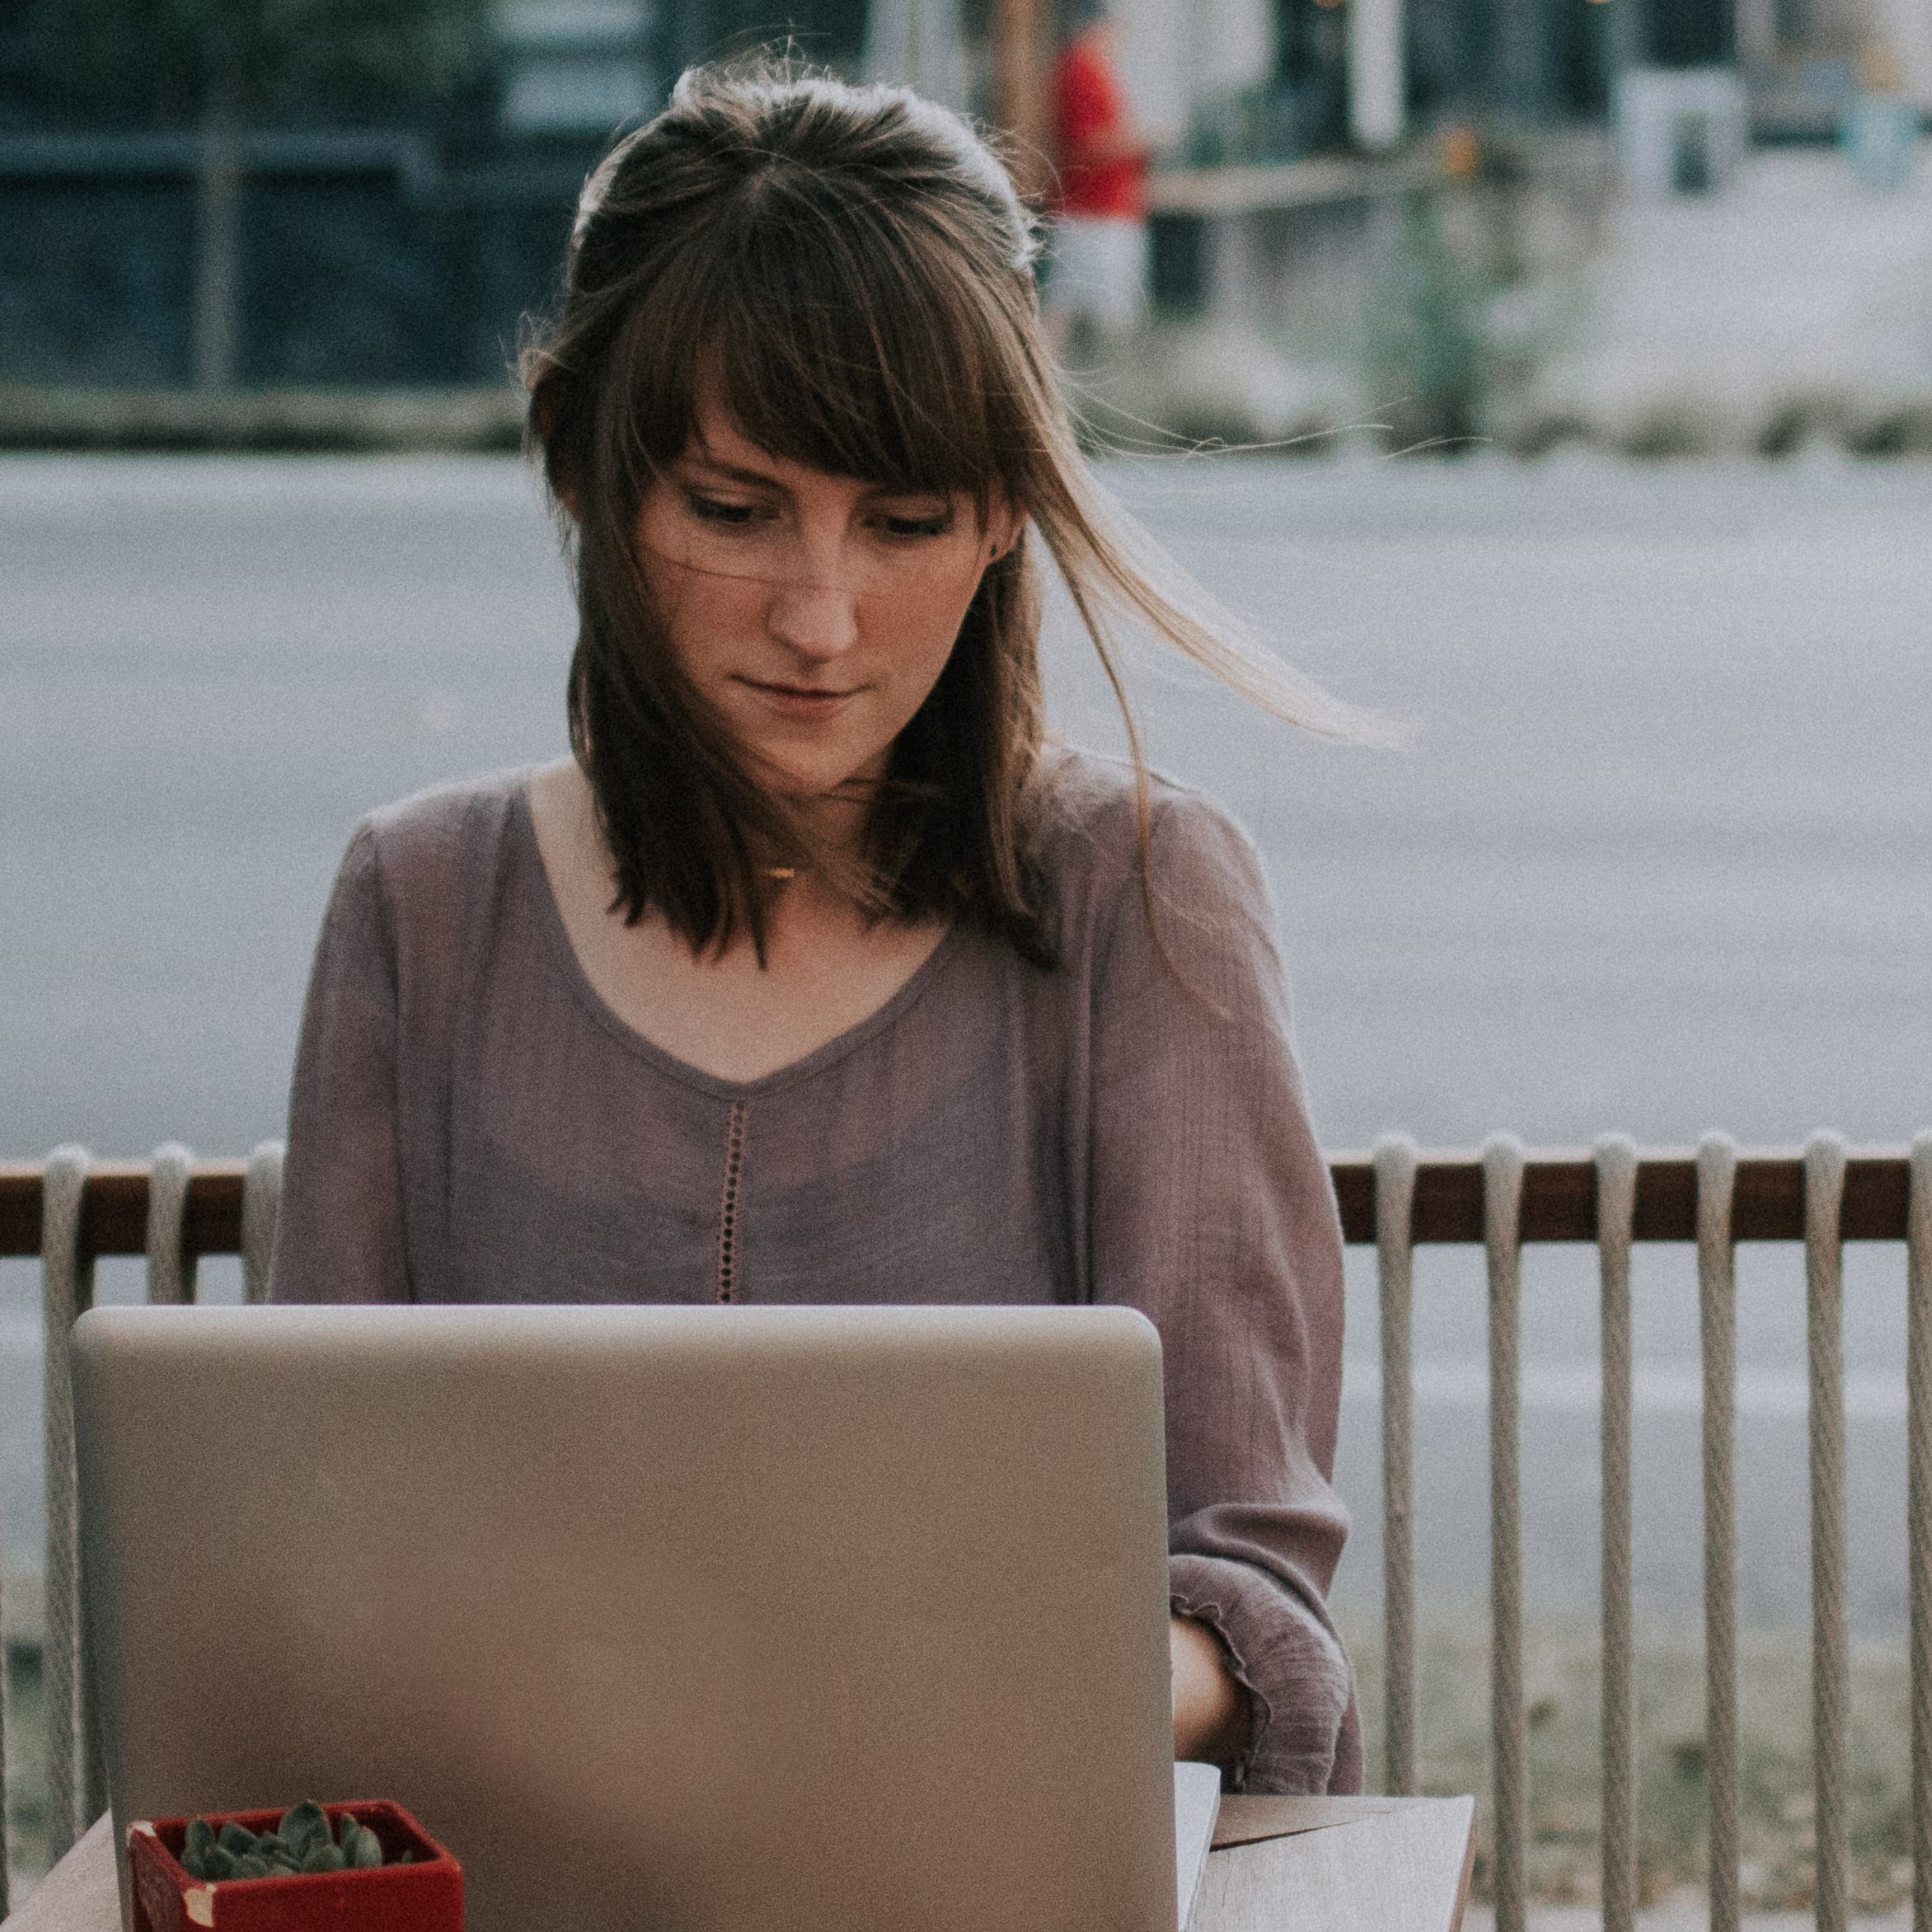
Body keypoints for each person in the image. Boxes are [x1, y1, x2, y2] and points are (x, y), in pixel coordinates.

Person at [268, 61, 1370, 1797]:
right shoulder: (420, 902)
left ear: (1004, 510)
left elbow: (1244, 1597)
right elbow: (302, 1546)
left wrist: (919, 1689)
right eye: (731, 507)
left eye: (907, 519)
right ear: (581, 466)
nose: (820, 614)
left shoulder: (1139, 893)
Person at [1044, 0, 1154, 353]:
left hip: (1105, 209)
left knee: (1076, 304)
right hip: (1091, 211)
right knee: (1081, 308)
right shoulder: (1080, 70)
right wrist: (1143, 140)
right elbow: (1086, 144)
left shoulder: (1094, 70)